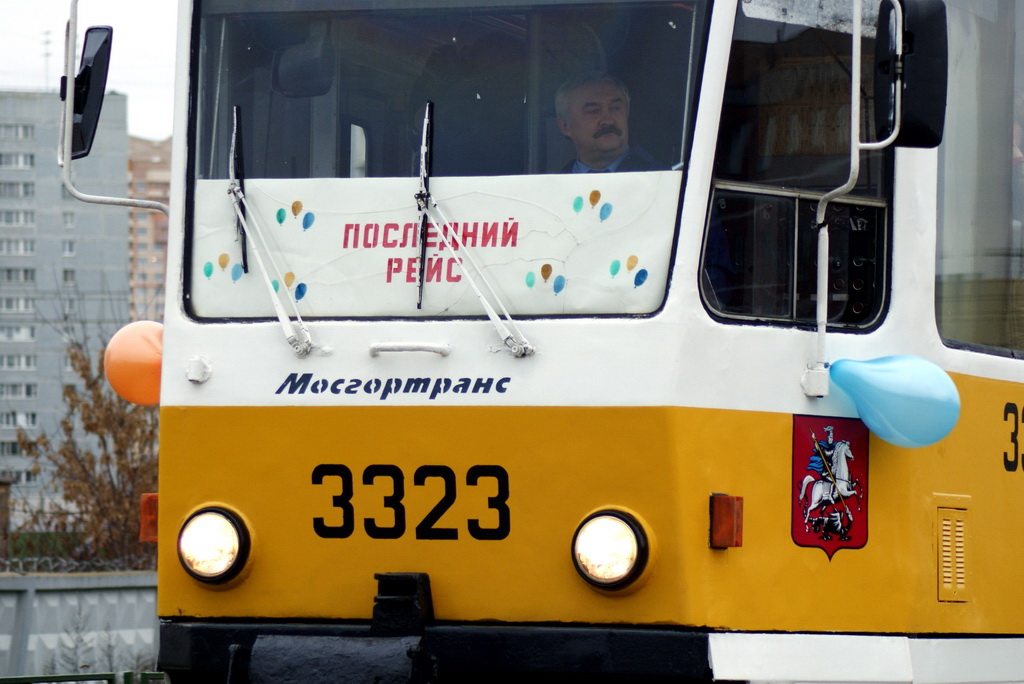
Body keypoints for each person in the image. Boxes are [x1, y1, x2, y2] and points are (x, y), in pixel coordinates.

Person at [554, 73, 660, 173]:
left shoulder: (664, 180)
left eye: (615, 108)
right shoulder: (551, 188)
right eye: (593, 111)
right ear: (565, 126)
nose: (608, 120)